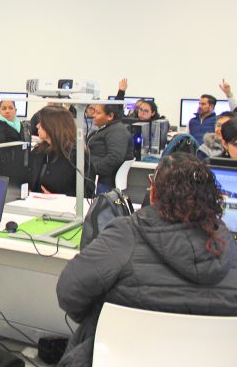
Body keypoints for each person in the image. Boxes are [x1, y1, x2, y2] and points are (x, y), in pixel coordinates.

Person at [56, 153, 237, 367]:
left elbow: (69, 292)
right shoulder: (229, 246)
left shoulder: (126, 233)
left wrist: (101, 317)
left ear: (153, 194)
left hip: (118, 356)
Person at [29, 106, 77, 196]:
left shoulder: (77, 156)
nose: (37, 126)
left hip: (64, 208)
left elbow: (87, 192)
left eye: (41, 123)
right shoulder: (38, 151)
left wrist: (59, 198)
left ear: (52, 125)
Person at [87, 103, 133, 194]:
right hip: (96, 178)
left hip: (104, 182)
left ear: (110, 116)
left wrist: (93, 170)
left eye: (97, 113)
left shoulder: (117, 131)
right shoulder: (108, 129)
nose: (93, 116)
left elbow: (114, 158)